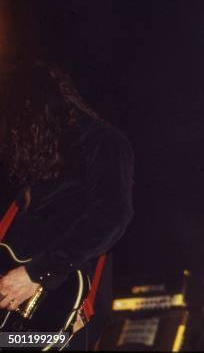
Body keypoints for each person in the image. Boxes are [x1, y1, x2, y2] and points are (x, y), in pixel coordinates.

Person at [0, 61, 134, 350]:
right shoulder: (38, 156)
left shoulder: (103, 143)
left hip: (61, 311)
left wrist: (36, 274)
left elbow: (111, 217)